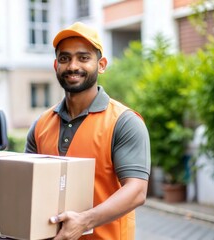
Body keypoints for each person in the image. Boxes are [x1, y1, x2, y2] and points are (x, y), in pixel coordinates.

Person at [25, 22, 151, 240]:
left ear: (101, 65)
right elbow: (28, 186)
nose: (73, 66)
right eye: (65, 58)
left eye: (83, 58)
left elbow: (136, 191)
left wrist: (83, 222)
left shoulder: (124, 122)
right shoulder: (41, 124)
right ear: (56, 65)